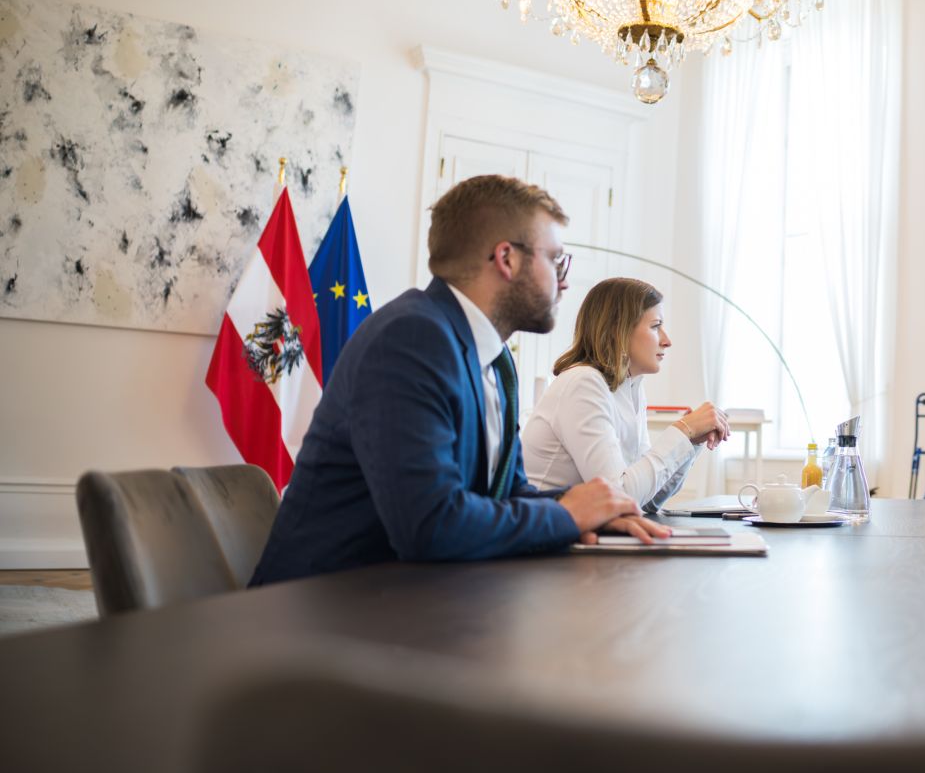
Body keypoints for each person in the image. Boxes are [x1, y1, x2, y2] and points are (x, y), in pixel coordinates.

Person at [251, 175, 668, 586]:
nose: (564, 280)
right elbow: (429, 526)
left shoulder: (496, 358)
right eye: (556, 259)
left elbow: (506, 494)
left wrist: (598, 509)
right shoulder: (410, 340)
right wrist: (565, 515)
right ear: (506, 258)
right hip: (320, 608)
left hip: (412, 600)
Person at [522, 277, 729, 509]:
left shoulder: (630, 387)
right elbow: (619, 496)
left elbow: (647, 500)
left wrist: (690, 442)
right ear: (618, 329)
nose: (667, 340)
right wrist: (682, 430)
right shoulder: (583, 382)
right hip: (548, 537)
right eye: (655, 326)